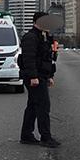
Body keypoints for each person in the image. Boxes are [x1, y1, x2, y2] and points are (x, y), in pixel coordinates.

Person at [19, 12, 60, 147]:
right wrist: (33, 77)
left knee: (33, 105)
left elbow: (48, 59)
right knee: (43, 105)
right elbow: (28, 59)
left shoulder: (45, 37)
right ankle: (45, 137)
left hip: (41, 75)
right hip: (34, 76)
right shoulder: (30, 37)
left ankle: (26, 135)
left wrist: (49, 76)